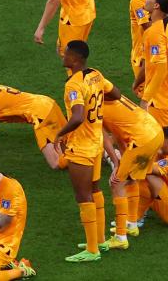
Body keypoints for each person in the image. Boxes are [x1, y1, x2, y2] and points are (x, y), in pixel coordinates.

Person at [56, 40, 119, 263]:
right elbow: (117, 94)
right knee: (94, 190)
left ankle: (92, 250)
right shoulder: (96, 74)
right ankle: (100, 240)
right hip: (96, 142)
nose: (63, 57)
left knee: (83, 195)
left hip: (81, 147)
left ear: (74, 59)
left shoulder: (73, 85)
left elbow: (77, 116)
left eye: (66, 54)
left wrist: (59, 134)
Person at [101, 94, 164, 249]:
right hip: (155, 133)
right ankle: (131, 224)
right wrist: (123, 160)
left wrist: (116, 164)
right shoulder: (116, 100)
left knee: (117, 184)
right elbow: (120, 132)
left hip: (142, 140)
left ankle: (120, 237)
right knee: (132, 178)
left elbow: (106, 140)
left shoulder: (94, 108)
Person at [133, 0, 168, 129]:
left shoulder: (154, 32)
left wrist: (145, 100)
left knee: (162, 146)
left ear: (156, 5)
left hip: (159, 100)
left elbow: (161, 69)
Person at [125, 0, 160, 88]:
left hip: (143, 54)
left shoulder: (137, 0)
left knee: (148, 97)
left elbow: (147, 26)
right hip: (164, 47)